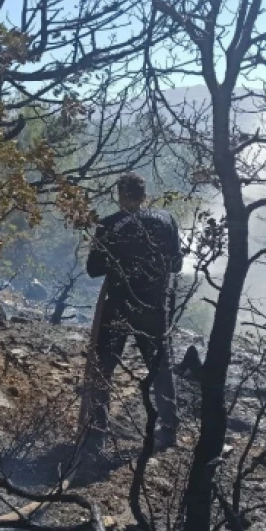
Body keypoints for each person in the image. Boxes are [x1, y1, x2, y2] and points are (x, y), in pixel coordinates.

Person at [79, 173, 183, 458]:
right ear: (144, 193)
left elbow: (93, 269)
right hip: (154, 307)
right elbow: (176, 264)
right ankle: (170, 427)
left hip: (119, 306)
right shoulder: (166, 220)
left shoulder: (109, 225)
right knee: (160, 365)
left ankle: (98, 432)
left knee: (104, 366)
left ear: (121, 195)